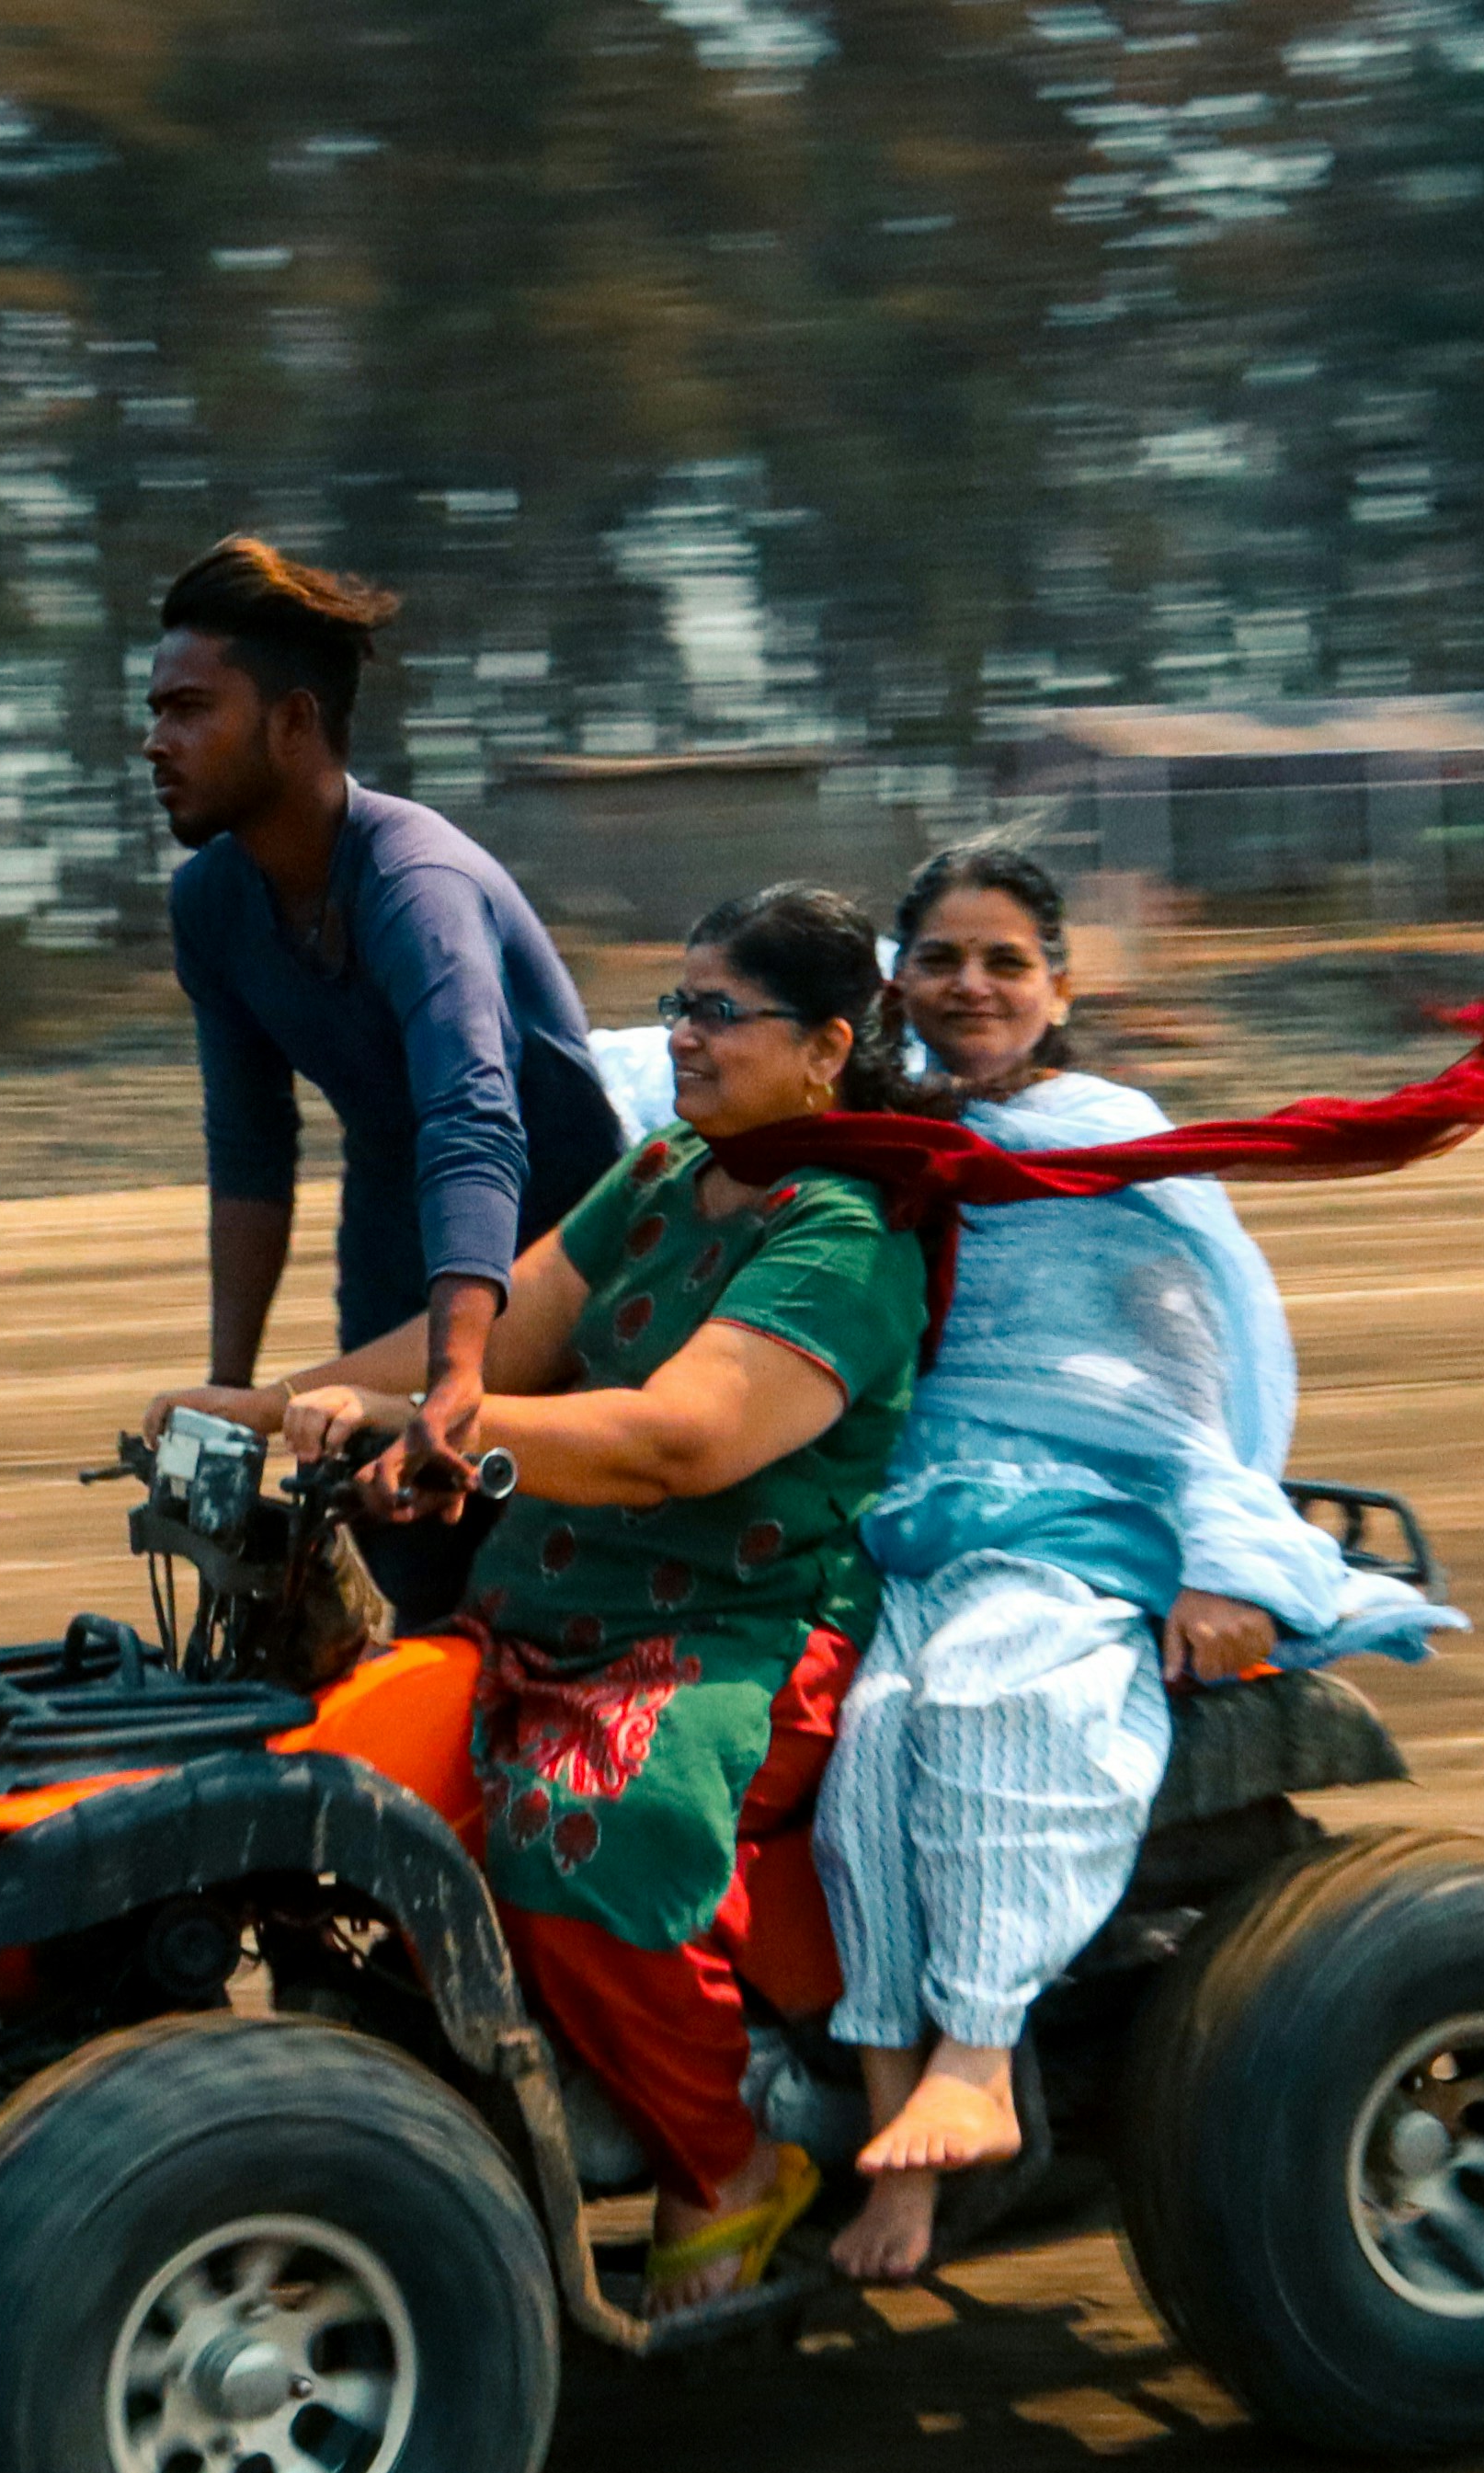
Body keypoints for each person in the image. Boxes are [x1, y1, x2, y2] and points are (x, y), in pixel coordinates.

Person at [172, 884, 945, 2313]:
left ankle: (729, 2167)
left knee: (587, 1822)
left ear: (827, 1046)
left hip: (734, 1635)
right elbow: (493, 1343)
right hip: (540, 1615)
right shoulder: (662, 1174)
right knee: (336, 1772)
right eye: (679, 1005)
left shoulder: (846, 1236)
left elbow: (678, 1438)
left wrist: (447, 1441)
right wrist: (285, 1402)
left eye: (720, 1011)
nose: (686, 1036)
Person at [815, 846, 1471, 2281]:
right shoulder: (870, 1128)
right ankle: (893, 2156)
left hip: (1088, 1509)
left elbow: (1195, 1378)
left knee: (992, 1695)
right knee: (859, 1746)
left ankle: (979, 2057)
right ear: (893, 983)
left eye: (1004, 962)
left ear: (1062, 987)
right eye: (940, 960)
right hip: (912, 1511)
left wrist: (1220, 1563)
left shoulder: (1111, 1135)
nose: (971, 987)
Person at [148, 533, 631, 1620]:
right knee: (405, 1581)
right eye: (155, 709)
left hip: (562, 1252)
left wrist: (461, 1374)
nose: (154, 741)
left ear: (293, 722)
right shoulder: (211, 905)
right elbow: (251, 1149)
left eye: (188, 710)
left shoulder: (418, 885)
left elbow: (472, 1121)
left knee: (537, 1592)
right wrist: (231, 1394)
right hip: (393, 1240)